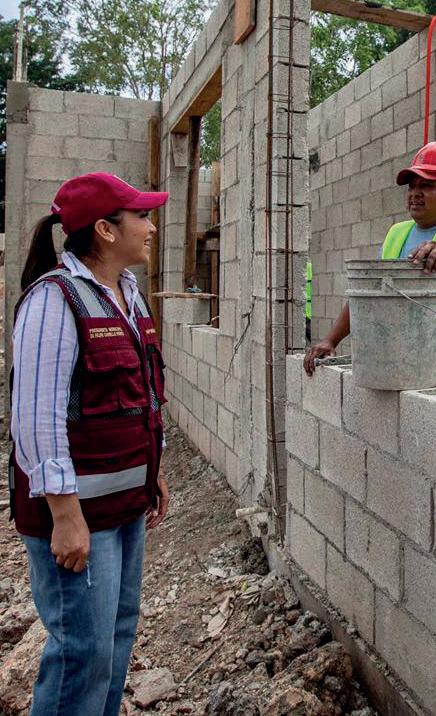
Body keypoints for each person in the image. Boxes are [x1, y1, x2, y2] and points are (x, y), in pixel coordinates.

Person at [9, 172, 170, 716]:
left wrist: (153, 472)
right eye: (140, 217)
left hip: (124, 508)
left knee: (116, 637)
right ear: (105, 229)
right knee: (84, 652)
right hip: (80, 518)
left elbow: (142, 395)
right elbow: (36, 418)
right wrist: (65, 516)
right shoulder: (54, 300)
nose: (150, 227)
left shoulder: (128, 295)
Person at [304, 141, 436, 399]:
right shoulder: (396, 234)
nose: (415, 193)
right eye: (412, 186)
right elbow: (370, 293)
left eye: (426, 186)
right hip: (407, 363)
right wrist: (331, 340)